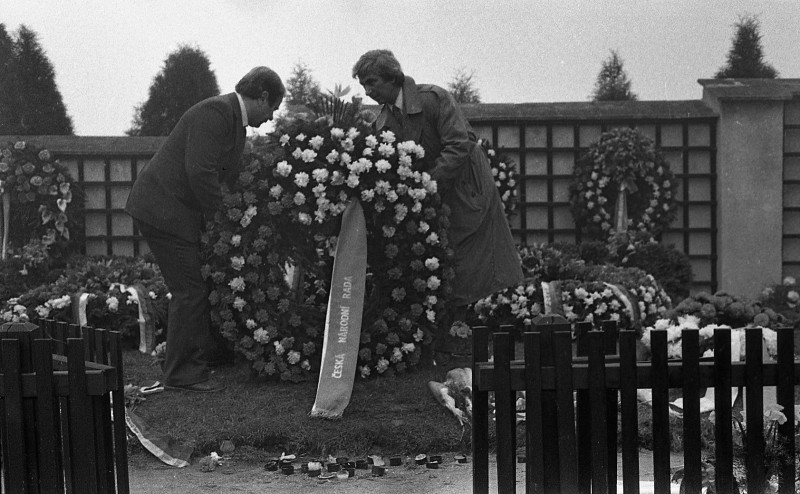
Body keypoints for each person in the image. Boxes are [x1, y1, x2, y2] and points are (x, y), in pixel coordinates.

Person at [352, 50, 523, 363]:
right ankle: (452, 340)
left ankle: (482, 337)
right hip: (436, 196)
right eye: (363, 85)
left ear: (392, 77)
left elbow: (461, 143)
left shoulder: (434, 98)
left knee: (480, 262)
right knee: (449, 262)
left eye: (372, 82)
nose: (367, 91)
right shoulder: (384, 117)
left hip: (466, 189)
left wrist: (426, 184)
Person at [125, 66, 285, 392]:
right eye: (273, 109)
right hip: (162, 210)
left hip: (172, 212)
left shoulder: (234, 124)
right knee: (190, 290)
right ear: (263, 96)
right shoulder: (216, 112)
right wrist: (224, 220)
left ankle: (195, 361)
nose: (271, 118)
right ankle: (182, 375)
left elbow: (227, 175)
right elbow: (199, 172)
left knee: (194, 288)